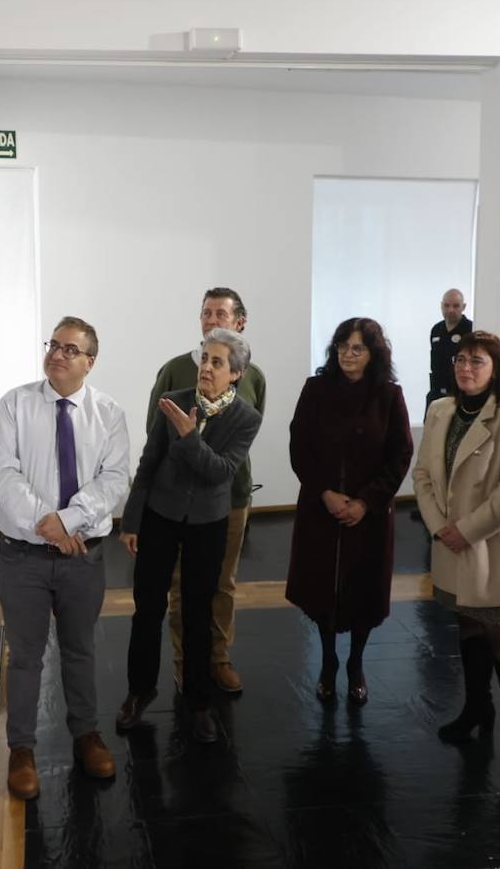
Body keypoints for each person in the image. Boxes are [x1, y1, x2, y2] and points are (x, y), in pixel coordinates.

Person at [0, 317, 129, 800]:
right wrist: (47, 524)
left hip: (81, 556)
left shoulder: (108, 414)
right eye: (54, 345)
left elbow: (114, 479)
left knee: (80, 649)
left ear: (90, 362)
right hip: (22, 554)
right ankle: (21, 749)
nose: (58, 355)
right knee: (24, 657)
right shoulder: (14, 405)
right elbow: (3, 476)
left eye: (71, 349)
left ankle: (86, 735)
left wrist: (69, 521)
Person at [117, 328, 262, 744]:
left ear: (236, 374)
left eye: (217, 363)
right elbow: (148, 464)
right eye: (204, 360)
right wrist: (131, 521)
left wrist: (189, 437)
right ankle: (138, 692)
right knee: (147, 609)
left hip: (208, 522)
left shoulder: (245, 418)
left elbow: (219, 471)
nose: (207, 368)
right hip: (160, 515)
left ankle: (198, 703)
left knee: (198, 612)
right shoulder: (175, 401)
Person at [413, 331, 500, 771]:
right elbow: (423, 476)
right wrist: (438, 528)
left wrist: (465, 531)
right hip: (450, 541)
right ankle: (476, 709)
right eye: (461, 360)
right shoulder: (440, 410)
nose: (466, 368)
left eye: (477, 361)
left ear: (496, 367)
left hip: (493, 543)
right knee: (466, 623)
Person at [285, 318, 412, 706]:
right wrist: (324, 492)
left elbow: (400, 454)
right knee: (322, 587)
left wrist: (365, 501)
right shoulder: (316, 389)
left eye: (357, 348)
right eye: (342, 346)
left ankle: (355, 663)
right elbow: (299, 445)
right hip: (321, 508)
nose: (348, 354)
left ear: (373, 353)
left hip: (368, 515)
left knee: (363, 590)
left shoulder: (389, 396)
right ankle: (327, 662)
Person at [147, 286, 267, 694]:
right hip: (180, 504)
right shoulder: (175, 371)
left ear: (240, 323)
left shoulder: (255, 377)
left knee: (222, 584)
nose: (212, 320)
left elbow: (244, 435)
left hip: (231, 498)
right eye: (206, 313)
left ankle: (218, 658)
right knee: (182, 587)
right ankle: (186, 664)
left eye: (221, 313)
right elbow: (155, 435)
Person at [426, 289, 472, 412]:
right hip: (436, 393)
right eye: (446, 305)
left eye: (456, 306)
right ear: (441, 306)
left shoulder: (470, 329)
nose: (451, 310)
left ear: (464, 307)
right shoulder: (436, 329)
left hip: (459, 394)